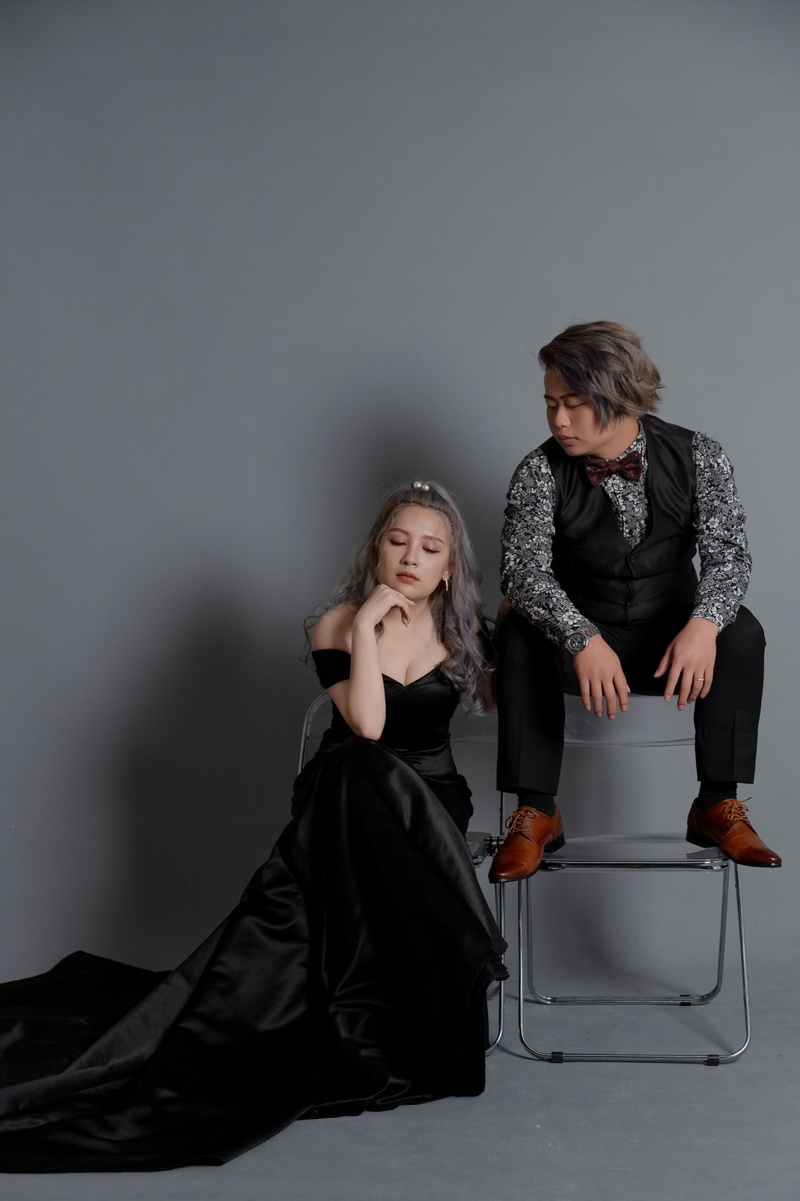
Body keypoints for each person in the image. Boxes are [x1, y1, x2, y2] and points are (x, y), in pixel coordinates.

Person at [0, 480, 505, 1173]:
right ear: (376, 550)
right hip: (344, 798)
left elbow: (518, 700)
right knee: (359, 763)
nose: (411, 557)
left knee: (380, 778)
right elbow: (367, 725)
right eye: (398, 541)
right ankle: (460, 936)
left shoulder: (467, 630)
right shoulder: (335, 623)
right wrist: (367, 627)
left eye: (429, 548)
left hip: (433, 806)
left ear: (449, 567)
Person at [490, 320, 780, 883]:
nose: (558, 420)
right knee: (520, 631)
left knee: (741, 630)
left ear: (618, 396)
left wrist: (702, 626)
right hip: (579, 646)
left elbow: (729, 556)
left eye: (573, 404)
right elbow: (522, 572)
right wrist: (580, 637)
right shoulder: (538, 471)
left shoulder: (700, 455)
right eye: (550, 404)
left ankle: (717, 803)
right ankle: (537, 810)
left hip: (668, 644)